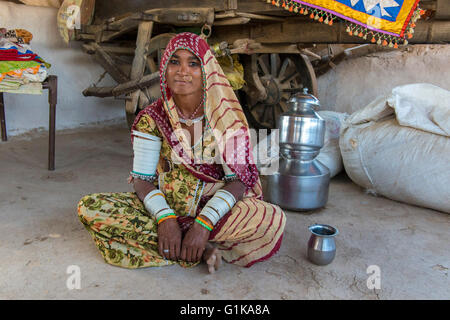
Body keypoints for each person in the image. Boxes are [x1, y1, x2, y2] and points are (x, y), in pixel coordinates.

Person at [77, 32, 286, 273]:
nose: (182, 71)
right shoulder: (152, 117)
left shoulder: (224, 116)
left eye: (193, 63)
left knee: (270, 218)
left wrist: (203, 223)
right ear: (165, 68)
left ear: (207, 70)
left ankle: (189, 242)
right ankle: (200, 249)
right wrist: (165, 218)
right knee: (90, 206)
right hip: (163, 206)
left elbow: (237, 182)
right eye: (174, 62)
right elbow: (142, 180)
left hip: (215, 210)